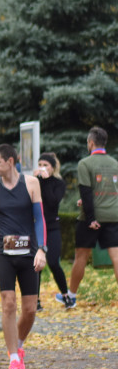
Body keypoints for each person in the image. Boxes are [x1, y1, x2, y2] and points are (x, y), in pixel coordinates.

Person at [0, 145, 48, 369]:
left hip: (29, 252)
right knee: (8, 303)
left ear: (10, 161)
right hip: (3, 253)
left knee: (30, 309)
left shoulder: (31, 184)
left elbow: (40, 220)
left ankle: (18, 344)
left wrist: (42, 249)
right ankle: (12, 359)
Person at [68, 126, 118, 303]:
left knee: (81, 256)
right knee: (116, 257)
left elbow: (87, 192)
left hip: (91, 218)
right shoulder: (115, 164)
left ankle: (71, 296)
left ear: (90, 143)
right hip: (113, 216)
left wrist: (91, 219)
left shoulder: (85, 163)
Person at [35, 153, 72, 309]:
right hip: (36, 227)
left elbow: (52, 201)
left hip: (52, 227)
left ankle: (66, 296)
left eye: (46, 165)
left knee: (53, 262)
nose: (42, 167)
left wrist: (46, 180)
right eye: (40, 164)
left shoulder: (58, 183)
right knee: (36, 265)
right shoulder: (34, 182)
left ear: (52, 167)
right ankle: (35, 300)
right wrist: (37, 180)